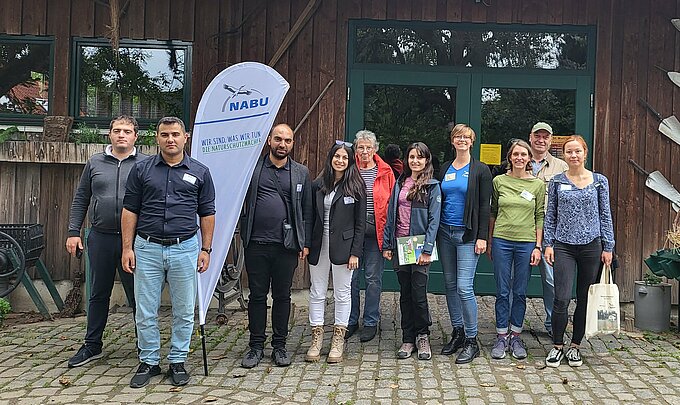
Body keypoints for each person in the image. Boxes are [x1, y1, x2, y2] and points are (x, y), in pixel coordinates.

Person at [121, 116, 216, 388]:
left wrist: (206, 248)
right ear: (157, 138)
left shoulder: (200, 172)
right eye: (165, 135)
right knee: (145, 309)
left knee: (184, 310)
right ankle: (149, 361)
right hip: (147, 247)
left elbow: (207, 212)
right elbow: (130, 210)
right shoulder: (141, 170)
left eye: (175, 134)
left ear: (185, 137)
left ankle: (177, 360)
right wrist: (127, 248)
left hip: (185, 247)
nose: (170, 139)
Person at [66, 115, 147, 368]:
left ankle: (145, 346)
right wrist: (73, 231)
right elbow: (81, 198)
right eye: (116, 130)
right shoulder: (95, 163)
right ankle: (92, 345)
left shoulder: (146, 164)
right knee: (98, 293)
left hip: (134, 241)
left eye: (127, 131)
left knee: (139, 296)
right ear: (109, 134)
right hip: (100, 237)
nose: (121, 135)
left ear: (136, 136)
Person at [239, 123, 313, 368]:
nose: (283, 144)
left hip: (287, 246)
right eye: (278, 139)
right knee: (257, 296)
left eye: (288, 140)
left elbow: (307, 211)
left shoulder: (301, 172)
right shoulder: (253, 167)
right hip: (256, 243)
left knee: (283, 296)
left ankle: (279, 346)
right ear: (269, 140)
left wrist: (305, 242)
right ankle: (256, 346)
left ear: (293, 144)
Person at [543, 135, 615, 368]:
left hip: (591, 246)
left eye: (577, 151)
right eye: (569, 152)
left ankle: (575, 346)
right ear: (564, 155)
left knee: (584, 298)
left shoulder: (599, 181)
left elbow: (605, 214)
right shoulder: (556, 182)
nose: (573, 156)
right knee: (561, 297)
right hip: (563, 245)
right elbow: (550, 215)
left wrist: (608, 246)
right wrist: (548, 244)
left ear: (585, 153)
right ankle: (556, 346)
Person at [306, 141, 366, 363]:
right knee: (317, 292)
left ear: (350, 162)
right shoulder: (318, 185)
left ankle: (338, 338)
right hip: (318, 245)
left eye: (345, 158)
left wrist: (355, 253)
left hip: (344, 248)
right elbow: (309, 216)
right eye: (337, 156)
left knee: (342, 293)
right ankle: (317, 337)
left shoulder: (356, 187)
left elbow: (360, 224)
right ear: (330, 158)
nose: (340, 161)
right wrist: (305, 244)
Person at [436, 124, 492, 364]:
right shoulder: (444, 168)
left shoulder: (480, 170)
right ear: (452, 141)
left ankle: (472, 339)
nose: (461, 140)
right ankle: (457, 332)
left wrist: (482, 236)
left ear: (472, 141)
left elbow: (484, 206)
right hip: (445, 233)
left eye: (466, 137)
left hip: (467, 235)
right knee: (449, 285)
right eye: (458, 136)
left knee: (464, 287)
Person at [383, 142, 441, 360]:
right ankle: (408, 338)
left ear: (427, 160)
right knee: (405, 294)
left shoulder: (432, 186)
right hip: (400, 246)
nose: (415, 161)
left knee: (418, 294)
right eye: (411, 157)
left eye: (420, 157)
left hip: (419, 248)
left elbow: (434, 221)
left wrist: (427, 249)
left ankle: (423, 335)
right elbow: (391, 214)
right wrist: (388, 245)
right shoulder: (400, 182)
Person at [489, 139, 545, 360]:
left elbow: (540, 215)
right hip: (502, 239)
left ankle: (516, 335)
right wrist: (490, 240)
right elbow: (492, 211)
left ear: (529, 158)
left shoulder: (537, 185)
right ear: (509, 158)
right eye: (515, 154)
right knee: (502, 291)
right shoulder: (499, 182)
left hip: (526, 242)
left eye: (524, 154)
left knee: (520, 291)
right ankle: (501, 336)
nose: (519, 158)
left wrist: (538, 246)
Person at [347, 130, 396, 342]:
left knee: (373, 279)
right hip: (352, 233)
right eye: (360, 147)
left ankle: (370, 321)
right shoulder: (349, 169)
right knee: (351, 279)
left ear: (375, 149)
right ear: (355, 150)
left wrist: (390, 238)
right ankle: (349, 320)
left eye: (369, 147)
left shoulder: (386, 172)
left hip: (377, 231)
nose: (365, 151)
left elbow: (392, 205)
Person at [528, 122, 568, 338]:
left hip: (550, 231)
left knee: (552, 280)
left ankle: (554, 323)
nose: (541, 140)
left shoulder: (561, 167)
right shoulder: (518, 160)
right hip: (522, 230)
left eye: (545, 137)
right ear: (530, 137)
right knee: (515, 280)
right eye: (537, 136)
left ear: (551, 140)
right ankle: (510, 326)